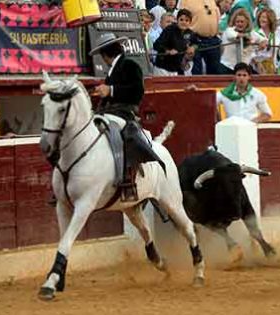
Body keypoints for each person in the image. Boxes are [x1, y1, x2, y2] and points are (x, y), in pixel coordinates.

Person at [90, 32, 165, 201]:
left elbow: (138, 91)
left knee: (120, 134)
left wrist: (111, 90)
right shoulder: (114, 70)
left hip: (125, 112)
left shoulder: (130, 65)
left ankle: (128, 178)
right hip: (110, 111)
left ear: (105, 55)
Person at [181, 0, 221, 74]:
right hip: (195, 40)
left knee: (215, 71)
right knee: (196, 70)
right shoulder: (186, 1)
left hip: (213, 40)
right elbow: (182, 20)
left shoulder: (212, 1)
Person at [153, 9, 197, 75]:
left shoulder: (190, 33)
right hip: (163, 68)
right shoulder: (169, 30)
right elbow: (156, 45)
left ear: (190, 22)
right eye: (181, 19)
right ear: (177, 20)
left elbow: (197, 43)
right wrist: (168, 51)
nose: (184, 22)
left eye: (187, 20)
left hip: (176, 69)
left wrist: (193, 47)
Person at [220, 9, 263, 74]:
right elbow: (231, 36)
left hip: (244, 69)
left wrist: (263, 43)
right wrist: (244, 37)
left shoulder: (252, 33)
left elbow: (263, 40)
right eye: (237, 22)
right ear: (234, 22)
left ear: (247, 22)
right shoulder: (229, 30)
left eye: (242, 22)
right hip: (228, 67)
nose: (240, 24)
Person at [251, 8, 280, 74]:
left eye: (264, 17)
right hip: (257, 69)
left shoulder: (277, 32)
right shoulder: (254, 33)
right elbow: (249, 51)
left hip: (272, 68)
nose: (261, 19)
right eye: (260, 17)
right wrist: (257, 61)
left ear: (270, 19)